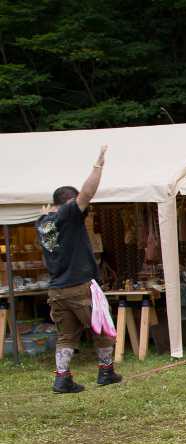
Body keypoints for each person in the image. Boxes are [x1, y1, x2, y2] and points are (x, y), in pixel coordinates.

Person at [36, 145, 122, 393]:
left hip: (56, 291)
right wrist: (98, 166)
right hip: (79, 287)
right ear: (70, 203)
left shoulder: (43, 222)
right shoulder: (69, 214)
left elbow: (54, 214)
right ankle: (106, 372)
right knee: (103, 329)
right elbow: (87, 193)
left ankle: (62, 379)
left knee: (66, 336)